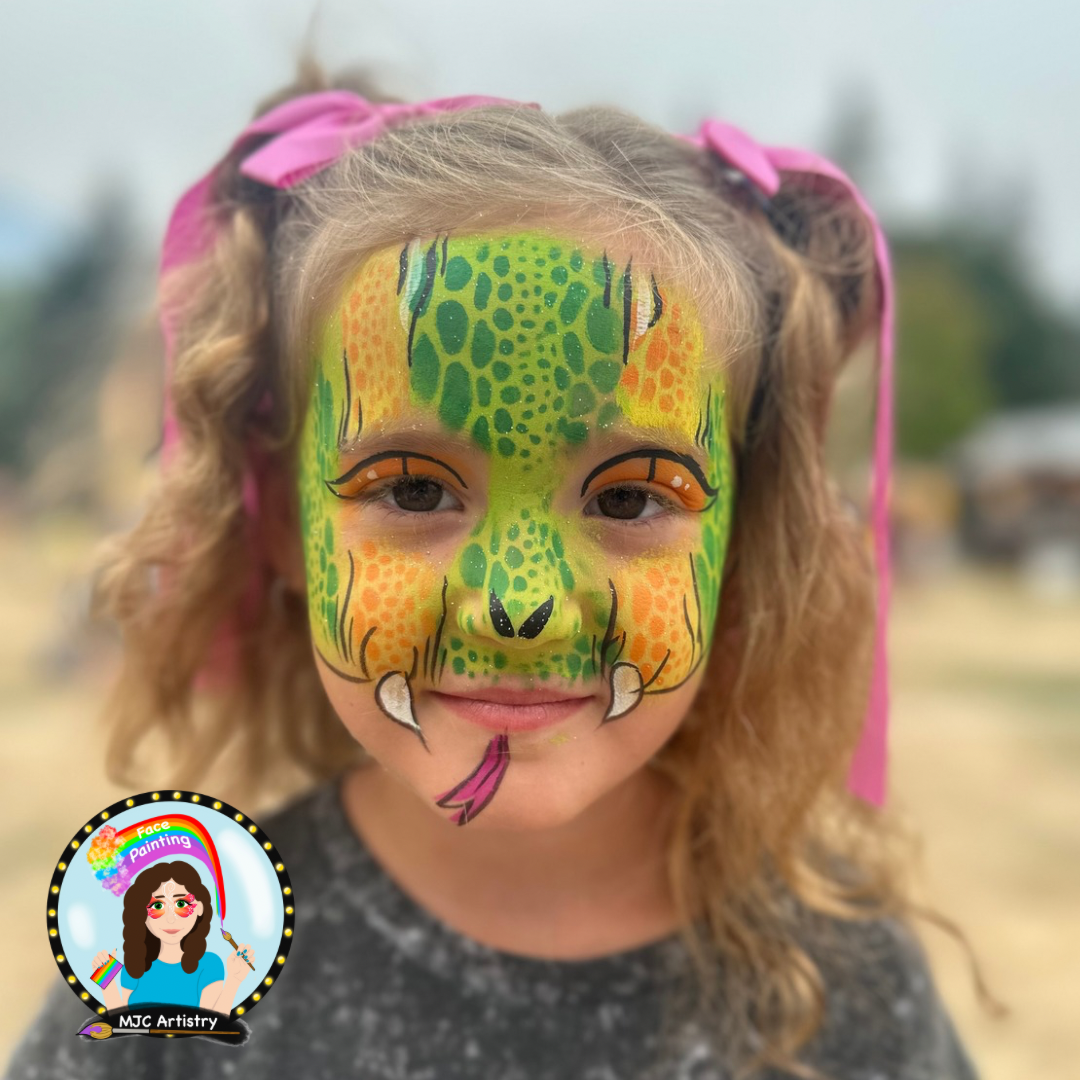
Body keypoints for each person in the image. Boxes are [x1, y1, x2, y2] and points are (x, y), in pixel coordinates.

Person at [6, 68, 989, 1079]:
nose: (519, 605)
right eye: (417, 492)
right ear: (281, 529)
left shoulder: (847, 987)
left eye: (629, 499)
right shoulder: (180, 962)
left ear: (742, 544)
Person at [89, 859, 253, 1015]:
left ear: (200, 908)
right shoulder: (134, 966)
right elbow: (122, 1025)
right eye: (157, 906)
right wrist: (106, 982)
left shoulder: (210, 965)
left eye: (181, 904)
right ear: (141, 913)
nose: (170, 918)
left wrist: (234, 980)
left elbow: (211, 1025)